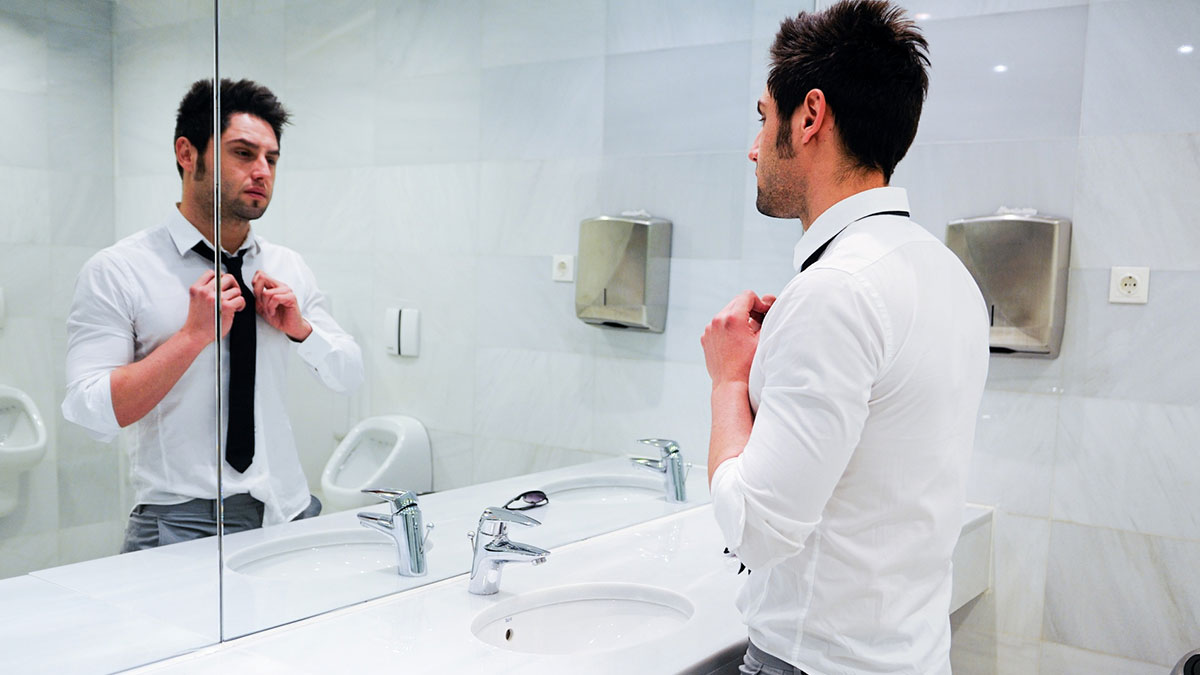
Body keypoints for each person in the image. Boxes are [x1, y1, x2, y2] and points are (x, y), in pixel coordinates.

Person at [700, 2, 989, 673]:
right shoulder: (949, 277)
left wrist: (729, 380)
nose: (753, 146)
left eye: (763, 117)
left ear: (810, 116)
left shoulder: (836, 291)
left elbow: (757, 528)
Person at [62, 78, 364, 553]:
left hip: (287, 510)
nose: (262, 171)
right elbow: (90, 411)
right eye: (244, 153)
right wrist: (190, 338)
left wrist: (302, 331)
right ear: (187, 153)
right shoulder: (119, 269)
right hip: (182, 524)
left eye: (272, 158)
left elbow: (349, 375)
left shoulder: (287, 266)